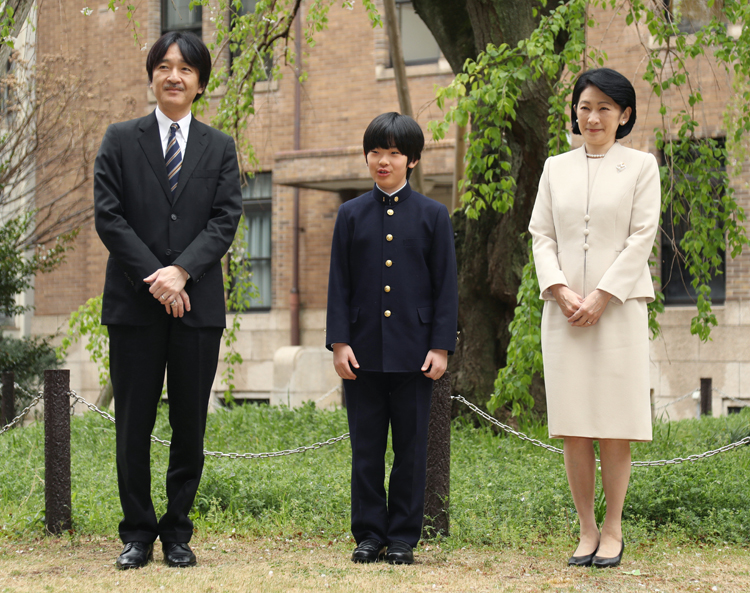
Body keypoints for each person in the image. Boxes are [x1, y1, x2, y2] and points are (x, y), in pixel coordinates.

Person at [94, 31, 242, 569]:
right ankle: (136, 533)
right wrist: (156, 276)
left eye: (185, 68)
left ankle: (177, 532)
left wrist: (181, 272)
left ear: (200, 83)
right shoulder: (119, 139)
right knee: (133, 423)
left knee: (189, 424)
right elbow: (109, 217)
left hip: (197, 307)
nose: (173, 75)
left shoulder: (220, 147)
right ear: (152, 75)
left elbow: (225, 218)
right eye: (164, 66)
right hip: (134, 308)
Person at [528, 68, 660, 569]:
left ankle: (613, 527)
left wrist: (602, 295)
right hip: (562, 313)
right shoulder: (554, 167)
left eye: (605, 107)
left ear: (624, 114)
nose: (593, 116)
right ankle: (585, 529)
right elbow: (542, 235)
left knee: (614, 424)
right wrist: (558, 288)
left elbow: (642, 236)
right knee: (575, 424)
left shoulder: (642, 166)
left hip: (619, 311)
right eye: (585, 106)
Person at [326, 112, 458, 565]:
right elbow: (338, 284)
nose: (384, 161)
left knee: (410, 451)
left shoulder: (433, 216)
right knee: (365, 450)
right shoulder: (349, 215)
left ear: (413, 160)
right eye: (376, 152)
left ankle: (403, 536)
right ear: (367, 157)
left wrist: (440, 345)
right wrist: (339, 342)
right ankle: (368, 533)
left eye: (395, 153)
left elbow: (446, 286)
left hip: (415, 353)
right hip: (360, 353)